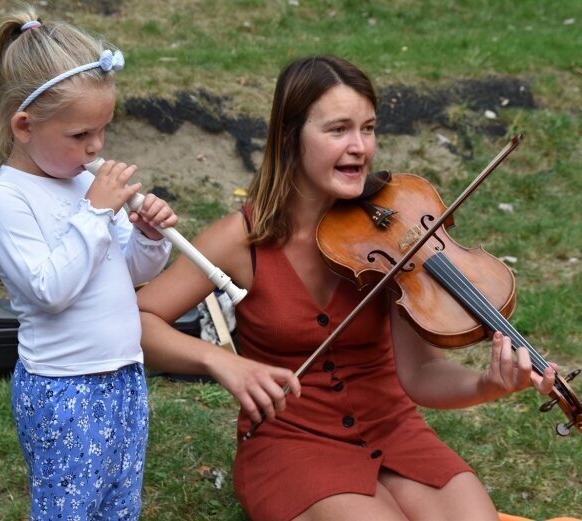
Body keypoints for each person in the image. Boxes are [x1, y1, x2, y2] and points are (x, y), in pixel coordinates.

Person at [137, 55, 557, 521]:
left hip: (395, 430)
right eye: (338, 130)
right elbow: (140, 321)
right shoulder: (241, 239)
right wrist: (222, 363)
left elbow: (419, 375)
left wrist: (489, 383)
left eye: (369, 128)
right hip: (291, 443)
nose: (360, 146)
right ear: (289, 138)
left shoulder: (395, 232)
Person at [0, 5, 178, 520]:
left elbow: (124, 273)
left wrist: (149, 239)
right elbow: (51, 289)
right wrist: (94, 214)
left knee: (118, 503)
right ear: (24, 126)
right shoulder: (7, 199)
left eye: (103, 130)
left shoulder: (87, 185)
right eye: (79, 135)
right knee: (68, 507)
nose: (96, 147)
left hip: (123, 375)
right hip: (63, 386)